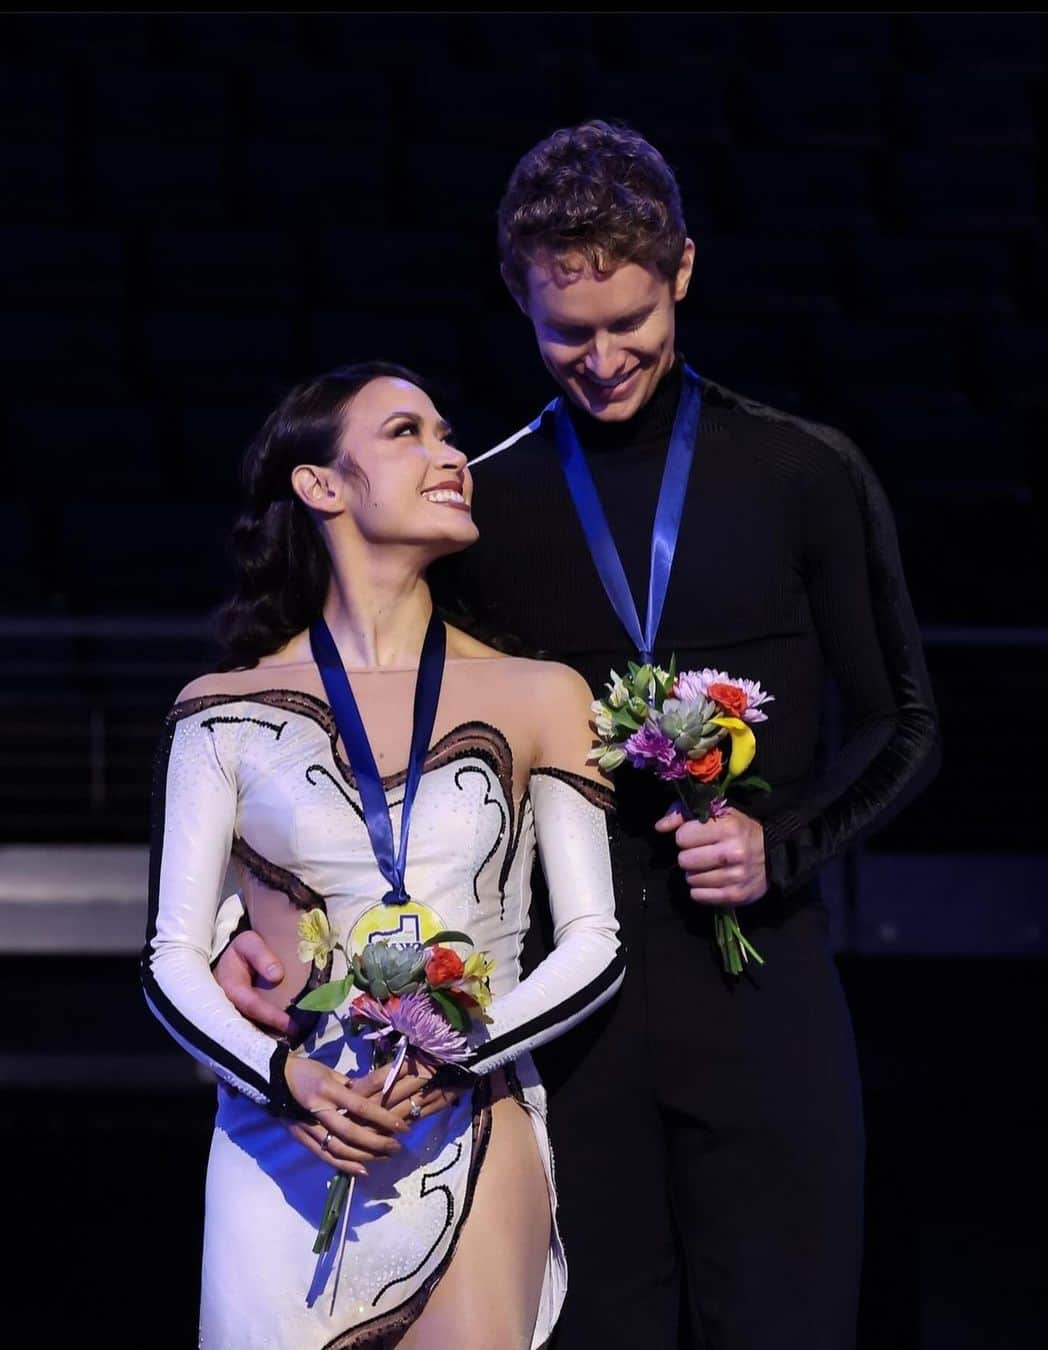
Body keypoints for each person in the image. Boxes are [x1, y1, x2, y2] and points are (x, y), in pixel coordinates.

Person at [212, 122, 941, 1349]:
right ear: (519, 299)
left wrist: (787, 841)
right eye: (567, 331)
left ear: (684, 274)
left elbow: (906, 724)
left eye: (630, 322)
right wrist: (248, 913)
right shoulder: (484, 503)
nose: (602, 359)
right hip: (566, 1022)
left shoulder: (804, 472)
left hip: (763, 1001)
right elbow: (338, 685)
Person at [140, 360, 626, 1350]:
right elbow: (171, 959)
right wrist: (287, 1080)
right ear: (321, 484)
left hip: (467, 1117)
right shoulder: (218, 710)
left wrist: (466, 1051)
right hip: (283, 1133)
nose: (450, 453)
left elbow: (596, 941)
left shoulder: (545, 694)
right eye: (407, 432)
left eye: (449, 434)